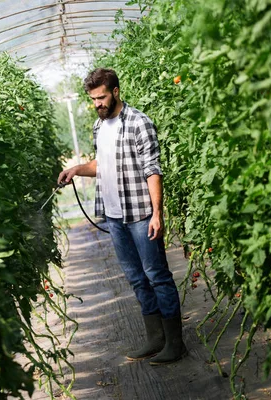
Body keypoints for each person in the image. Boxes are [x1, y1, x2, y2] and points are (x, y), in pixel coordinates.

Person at [57, 68, 187, 365]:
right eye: (92, 99)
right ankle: (155, 338)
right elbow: (102, 164)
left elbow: (152, 169)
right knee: (136, 279)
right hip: (114, 217)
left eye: (101, 97)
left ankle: (175, 344)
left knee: (158, 276)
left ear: (116, 92)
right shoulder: (98, 126)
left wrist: (157, 213)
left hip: (140, 214)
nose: (97, 104)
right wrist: (77, 169)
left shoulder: (139, 123)